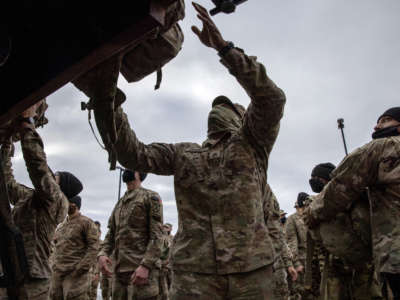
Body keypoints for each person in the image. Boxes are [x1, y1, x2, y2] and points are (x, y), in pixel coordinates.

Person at [92, 3, 286, 298]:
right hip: (194, 276)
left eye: (226, 106)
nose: (218, 109)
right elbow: (133, 155)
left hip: (252, 273)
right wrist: (108, 102)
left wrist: (224, 49)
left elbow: (271, 98)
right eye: (215, 106)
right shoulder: (183, 154)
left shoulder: (252, 142)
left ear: (242, 117)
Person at [305, 108, 400, 298]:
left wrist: (311, 214)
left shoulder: (384, 147)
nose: (377, 125)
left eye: (385, 120)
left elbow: (339, 188)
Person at [0, 102, 83, 300]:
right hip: (11, 274)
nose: (51, 175)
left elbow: (37, 167)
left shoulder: (55, 200)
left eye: (55, 177)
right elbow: (8, 183)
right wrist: (7, 143)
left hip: (33, 283)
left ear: (60, 188)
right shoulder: (31, 199)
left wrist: (28, 124)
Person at [98, 170, 164, 300]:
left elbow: (157, 236)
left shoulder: (150, 197)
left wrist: (146, 265)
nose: (126, 170)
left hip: (140, 272)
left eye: (130, 167)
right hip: (119, 273)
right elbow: (111, 234)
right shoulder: (120, 203)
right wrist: (102, 254)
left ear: (139, 173)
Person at [50, 195, 100, 300]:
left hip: (75, 276)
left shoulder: (86, 223)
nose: (66, 205)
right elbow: (55, 246)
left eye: (69, 202)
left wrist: (80, 269)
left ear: (76, 205)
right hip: (57, 275)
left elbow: (94, 248)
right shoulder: (61, 225)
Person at [286, 192, 320, 300]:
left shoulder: (313, 215)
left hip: (318, 260)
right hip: (303, 261)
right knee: (304, 293)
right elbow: (292, 243)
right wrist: (296, 263)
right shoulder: (292, 220)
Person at [88, 221, 102, 300]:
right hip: (87, 271)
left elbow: (99, 261)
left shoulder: (101, 244)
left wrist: (96, 273)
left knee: (93, 292)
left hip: (95, 271)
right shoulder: (88, 243)